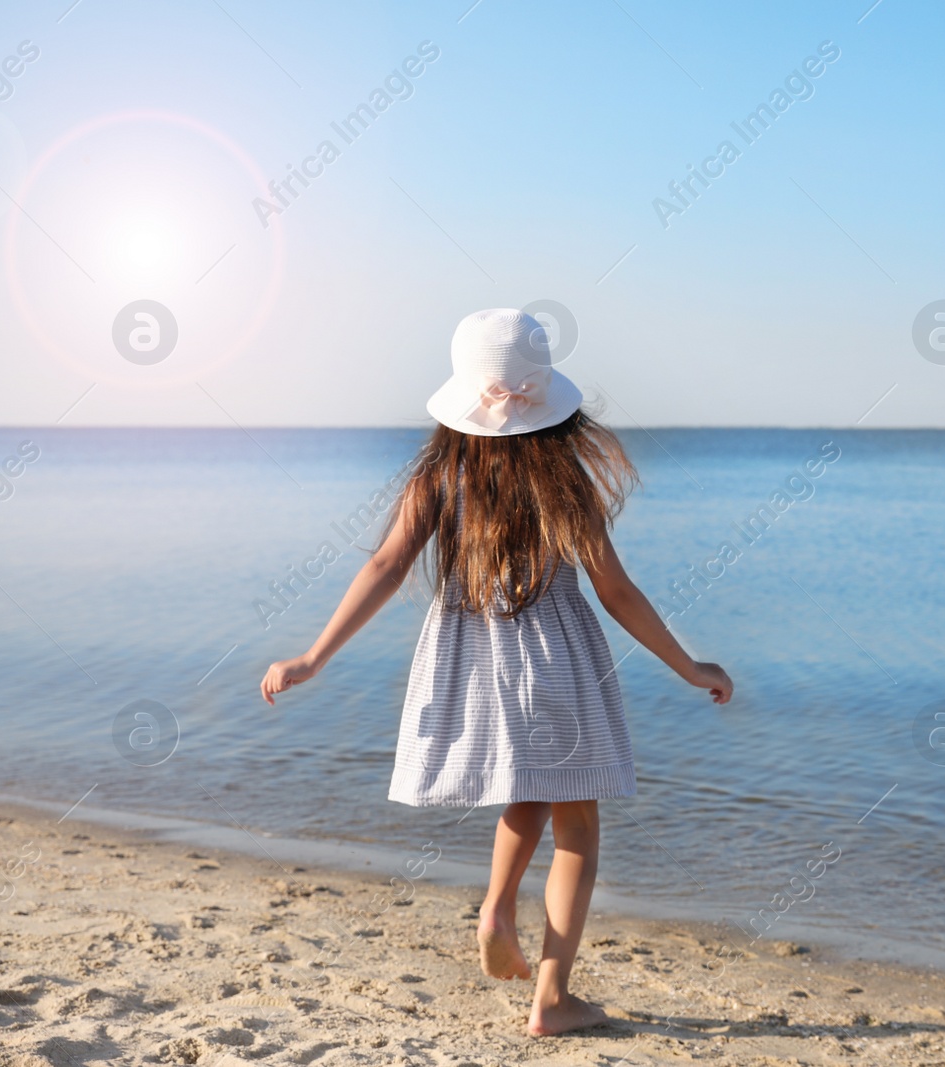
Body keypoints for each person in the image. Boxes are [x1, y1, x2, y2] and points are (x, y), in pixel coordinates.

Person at [260, 308, 732, 1036]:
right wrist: (687, 664)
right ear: (545, 400)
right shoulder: (563, 479)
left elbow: (385, 566)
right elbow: (615, 591)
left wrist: (313, 655)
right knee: (576, 820)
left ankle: (496, 906)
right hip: (557, 662)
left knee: (531, 786)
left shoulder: (439, 474)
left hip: (474, 662)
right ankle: (551, 996)